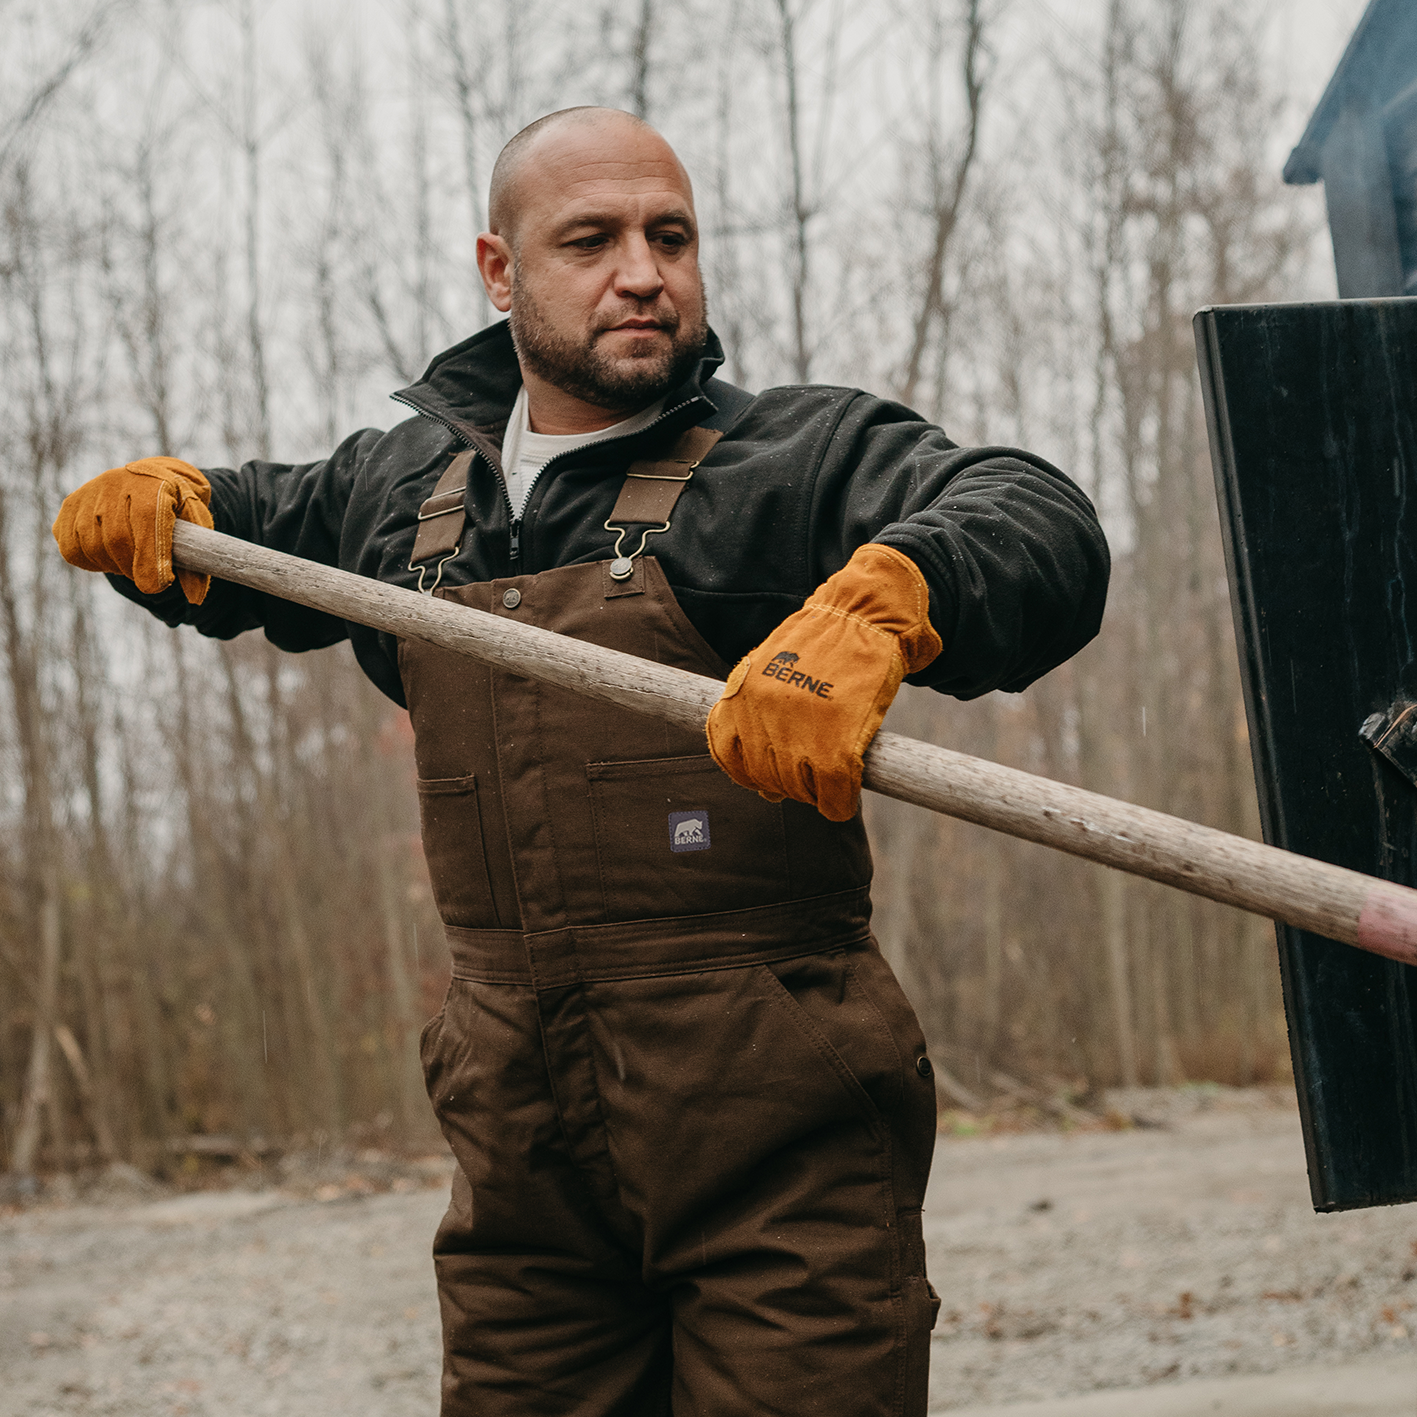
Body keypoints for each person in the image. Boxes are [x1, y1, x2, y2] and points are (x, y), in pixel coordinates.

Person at [53, 107, 1108, 1417]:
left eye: (671, 236)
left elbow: (1036, 516)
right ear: (501, 273)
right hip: (522, 1174)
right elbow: (254, 528)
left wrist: (889, 601)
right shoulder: (409, 496)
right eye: (592, 239)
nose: (643, 271)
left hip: (782, 1162)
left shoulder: (792, 460)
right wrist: (171, 510)